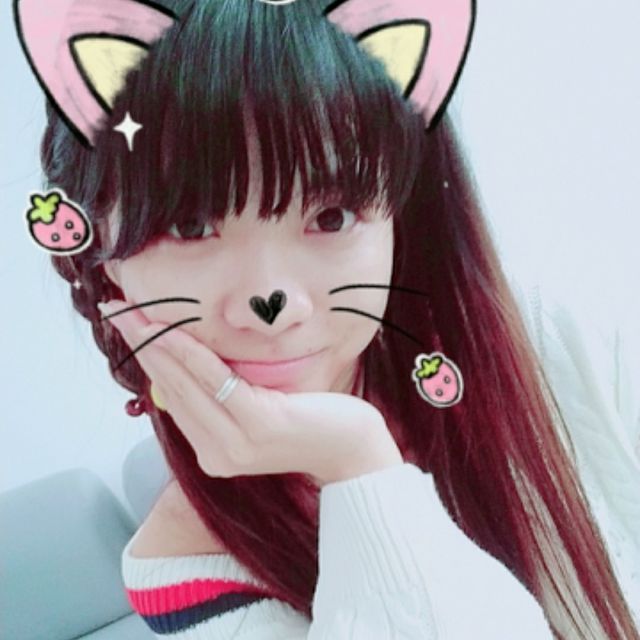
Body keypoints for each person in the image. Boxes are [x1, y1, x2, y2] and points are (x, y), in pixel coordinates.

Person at [17, 0, 639, 637]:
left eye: (332, 217)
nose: (270, 302)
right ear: (101, 253)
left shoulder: (550, 343)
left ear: (399, 214)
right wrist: (357, 468)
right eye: (190, 225)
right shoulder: (192, 572)